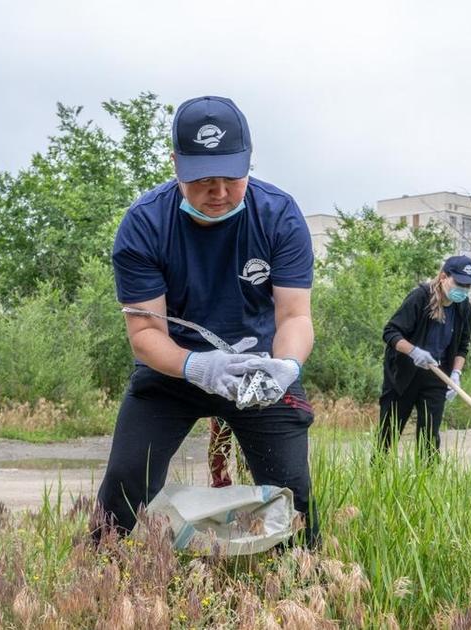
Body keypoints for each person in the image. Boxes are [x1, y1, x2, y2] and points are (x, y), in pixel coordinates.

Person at [94, 96, 317, 546]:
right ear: (176, 164)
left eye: (231, 177)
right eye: (201, 178)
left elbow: (295, 315)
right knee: (125, 479)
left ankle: (302, 579)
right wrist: (199, 367)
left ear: (249, 162)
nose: (217, 191)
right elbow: (145, 333)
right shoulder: (144, 225)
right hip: (174, 368)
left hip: (260, 370)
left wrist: (286, 367)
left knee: (292, 491)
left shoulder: (279, 215)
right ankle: (97, 570)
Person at [376, 255, 471, 459]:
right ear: (443, 277)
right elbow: (390, 333)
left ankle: (427, 482)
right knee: (389, 433)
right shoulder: (420, 298)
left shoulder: (463, 308)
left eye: (468, 286)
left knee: (430, 437)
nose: (463, 290)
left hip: (437, 375)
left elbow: (462, 346)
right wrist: (413, 351)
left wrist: (456, 373)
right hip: (403, 375)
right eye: (459, 283)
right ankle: (377, 475)